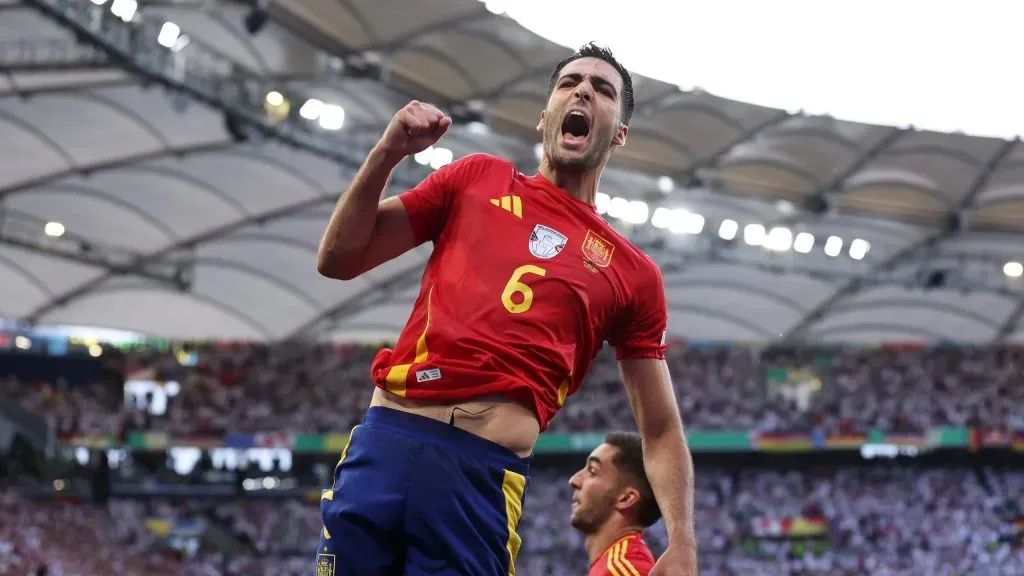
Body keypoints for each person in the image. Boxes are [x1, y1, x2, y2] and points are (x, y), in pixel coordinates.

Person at [315, 42, 697, 576]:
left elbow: (658, 430)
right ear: (545, 117)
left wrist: (683, 542)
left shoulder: (631, 273)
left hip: (477, 475)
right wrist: (386, 154)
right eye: (569, 83)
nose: (583, 90)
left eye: (602, 89)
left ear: (620, 133)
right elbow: (339, 258)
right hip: (384, 442)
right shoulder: (475, 178)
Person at [569, 432, 660, 576]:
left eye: (592, 471)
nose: (574, 480)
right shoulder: (613, 565)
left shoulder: (622, 569)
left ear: (626, 498)